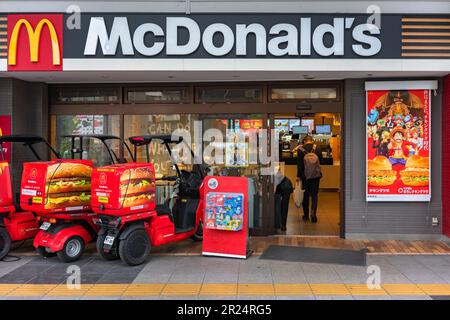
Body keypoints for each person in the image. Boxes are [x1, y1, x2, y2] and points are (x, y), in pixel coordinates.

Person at [295, 135, 323, 223]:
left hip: (305, 176)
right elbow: (321, 161)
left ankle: (306, 215)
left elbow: (299, 165)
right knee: (314, 195)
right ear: (312, 141)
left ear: (304, 141)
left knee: (306, 195)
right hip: (315, 176)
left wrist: (298, 176)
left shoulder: (300, 149)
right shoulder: (317, 148)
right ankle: (313, 214)